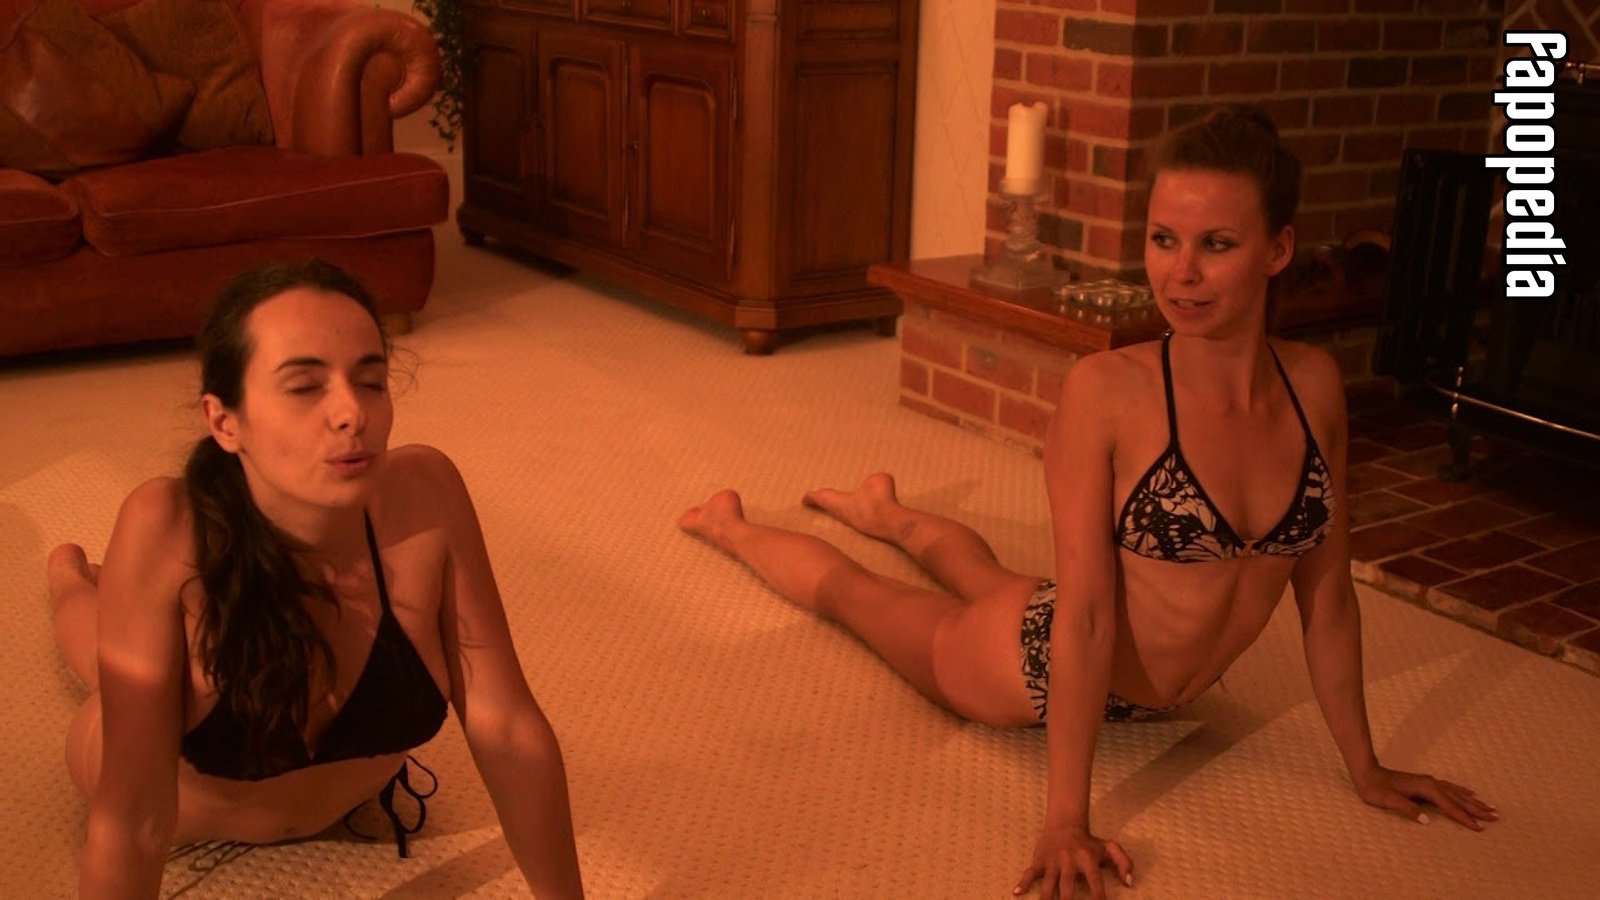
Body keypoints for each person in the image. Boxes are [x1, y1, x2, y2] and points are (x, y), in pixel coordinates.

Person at [679, 104, 1496, 900]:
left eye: (1216, 244)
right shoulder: (1108, 392)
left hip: (1133, 669)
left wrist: (1366, 766)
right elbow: (1085, 619)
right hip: (1033, 662)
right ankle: (729, 525)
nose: (1181, 272)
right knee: (858, 597)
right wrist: (1065, 821)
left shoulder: (1314, 385)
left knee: (990, 575)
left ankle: (886, 512)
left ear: (1278, 248)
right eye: (1163, 239)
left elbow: (1329, 599)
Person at [49, 260, 585, 898]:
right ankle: (67, 576)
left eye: (371, 380)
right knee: (101, 658)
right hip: (192, 812)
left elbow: (508, 728)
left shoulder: (426, 494)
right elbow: (134, 818)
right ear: (224, 421)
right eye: (305, 386)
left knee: (129, 637)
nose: (352, 412)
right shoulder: (167, 527)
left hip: (343, 800)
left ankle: (104, 592)